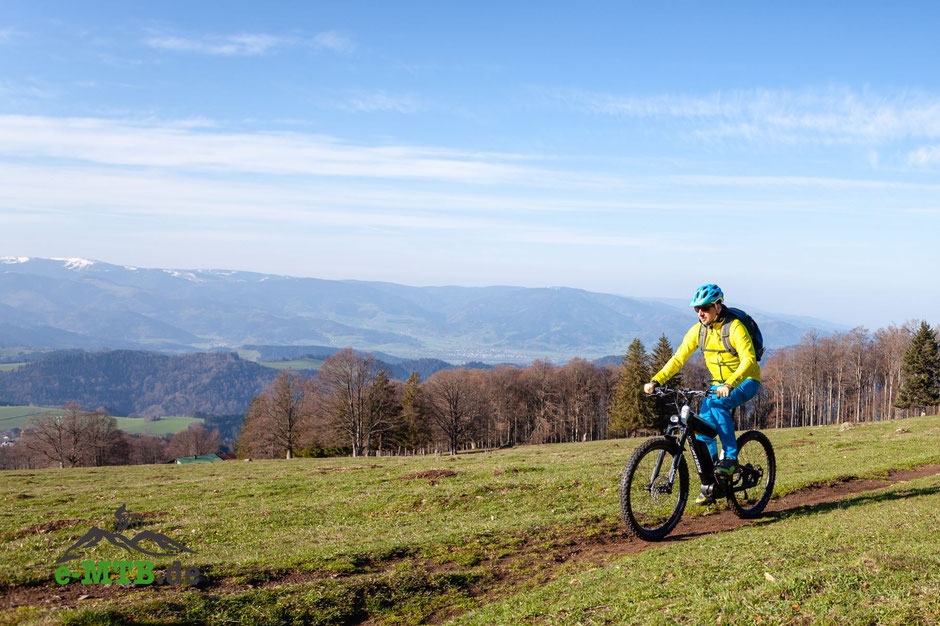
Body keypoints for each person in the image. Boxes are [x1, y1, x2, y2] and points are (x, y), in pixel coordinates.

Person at [643, 283, 761, 504]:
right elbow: (678, 358)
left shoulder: (734, 327)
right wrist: (656, 379)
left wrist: (730, 383)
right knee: (702, 430)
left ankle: (731, 459)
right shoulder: (698, 330)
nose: (700, 313)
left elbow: (748, 359)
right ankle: (713, 481)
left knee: (718, 405)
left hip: (745, 380)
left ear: (718, 305)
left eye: (705, 308)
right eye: (697, 309)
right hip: (718, 384)